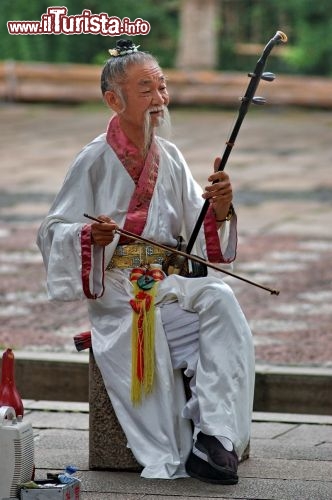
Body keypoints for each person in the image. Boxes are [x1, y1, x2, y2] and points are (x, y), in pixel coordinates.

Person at [37, 39, 255, 485]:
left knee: (218, 298)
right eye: (145, 90)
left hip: (167, 284)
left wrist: (218, 207)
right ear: (113, 100)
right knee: (212, 335)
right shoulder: (94, 159)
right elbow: (52, 229)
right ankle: (199, 438)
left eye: (162, 87)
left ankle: (214, 438)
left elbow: (198, 227)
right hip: (121, 293)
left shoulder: (169, 156)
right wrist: (88, 236)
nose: (159, 99)